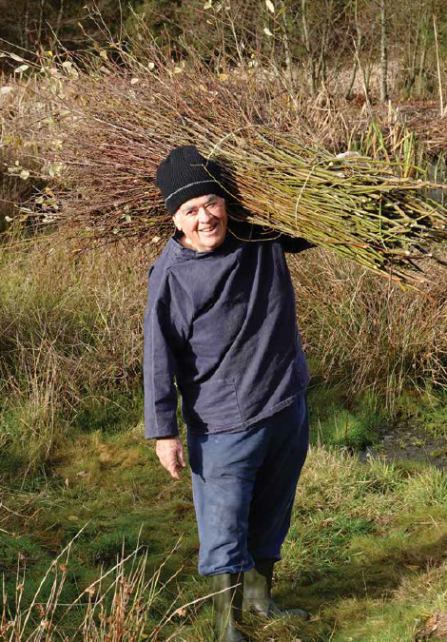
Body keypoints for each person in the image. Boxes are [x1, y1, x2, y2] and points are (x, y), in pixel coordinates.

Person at [144, 145, 313, 642]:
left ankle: (261, 598)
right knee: (224, 524)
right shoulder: (171, 275)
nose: (204, 218)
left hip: (285, 400)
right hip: (222, 422)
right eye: (190, 210)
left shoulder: (258, 234)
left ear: (226, 202)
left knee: (274, 508)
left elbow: (314, 228)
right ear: (175, 219)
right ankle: (225, 625)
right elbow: (159, 358)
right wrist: (164, 433)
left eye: (210, 203)